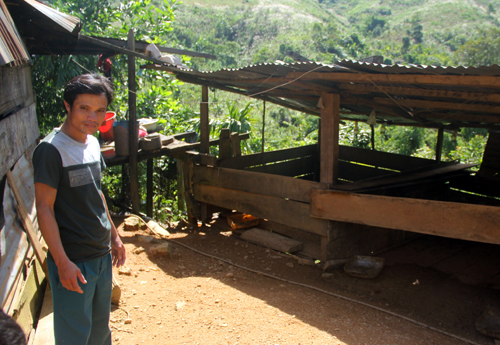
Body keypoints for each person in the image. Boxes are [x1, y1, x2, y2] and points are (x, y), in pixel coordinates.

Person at [33, 73, 126, 345]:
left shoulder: (93, 143)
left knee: (99, 331)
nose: (92, 118)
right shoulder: (51, 150)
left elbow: (96, 194)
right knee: (74, 335)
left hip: (100, 255)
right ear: (67, 106)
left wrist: (114, 237)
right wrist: (62, 262)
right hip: (75, 260)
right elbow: (44, 207)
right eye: (84, 108)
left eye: (99, 111)